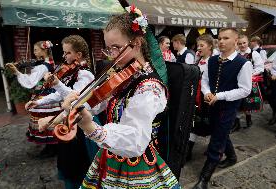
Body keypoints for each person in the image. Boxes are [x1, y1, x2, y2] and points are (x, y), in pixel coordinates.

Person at [54, 6, 181, 189]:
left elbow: (135, 139)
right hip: (111, 155)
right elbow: (97, 102)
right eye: (108, 49)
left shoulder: (149, 88)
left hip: (136, 164)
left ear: (137, 43)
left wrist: (92, 127)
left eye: (116, 48)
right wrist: (75, 103)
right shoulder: (125, 76)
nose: (112, 55)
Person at [27, 35, 98, 189]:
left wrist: (58, 83)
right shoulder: (72, 71)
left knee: (81, 165)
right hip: (70, 121)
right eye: (64, 53)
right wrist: (38, 101)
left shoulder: (85, 74)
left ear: (78, 55)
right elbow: (60, 95)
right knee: (69, 161)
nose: (64, 56)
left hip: (82, 124)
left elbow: (76, 99)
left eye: (67, 53)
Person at [192, 28, 252, 189]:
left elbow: (245, 89)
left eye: (226, 38)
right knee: (218, 130)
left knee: (217, 139)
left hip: (228, 107)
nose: (222, 41)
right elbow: (204, 80)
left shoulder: (243, 63)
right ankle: (232, 157)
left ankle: (204, 177)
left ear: (235, 40)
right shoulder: (212, 60)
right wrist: (207, 92)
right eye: (220, 38)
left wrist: (220, 96)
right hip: (210, 105)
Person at [6, 41, 62, 158]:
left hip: (45, 96)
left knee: (44, 121)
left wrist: (17, 72)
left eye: (36, 50)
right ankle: (53, 146)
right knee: (51, 119)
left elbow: (31, 81)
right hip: (50, 94)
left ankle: (51, 148)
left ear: (44, 50)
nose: (34, 52)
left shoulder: (42, 66)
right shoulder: (47, 63)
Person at [186, 34, 214, 162]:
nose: (198, 48)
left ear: (210, 47)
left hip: (208, 98)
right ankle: (188, 151)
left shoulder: (214, 62)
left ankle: (221, 150)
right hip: (197, 98)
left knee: (212, 125)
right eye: (198, 45)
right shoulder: (197, 60)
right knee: (195, 123)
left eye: (202, 45)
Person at [234, 34, 264, 130]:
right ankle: (237, 124)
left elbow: (260, 67)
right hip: (237, 82)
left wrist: (250, 75)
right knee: (237, 103)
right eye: (240, 43)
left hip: (249, 82)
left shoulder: (254, 54)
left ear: (248, 43)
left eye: (244, 43)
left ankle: (248, 120)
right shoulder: (235, 54)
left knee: (247, 104)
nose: (242, 45)